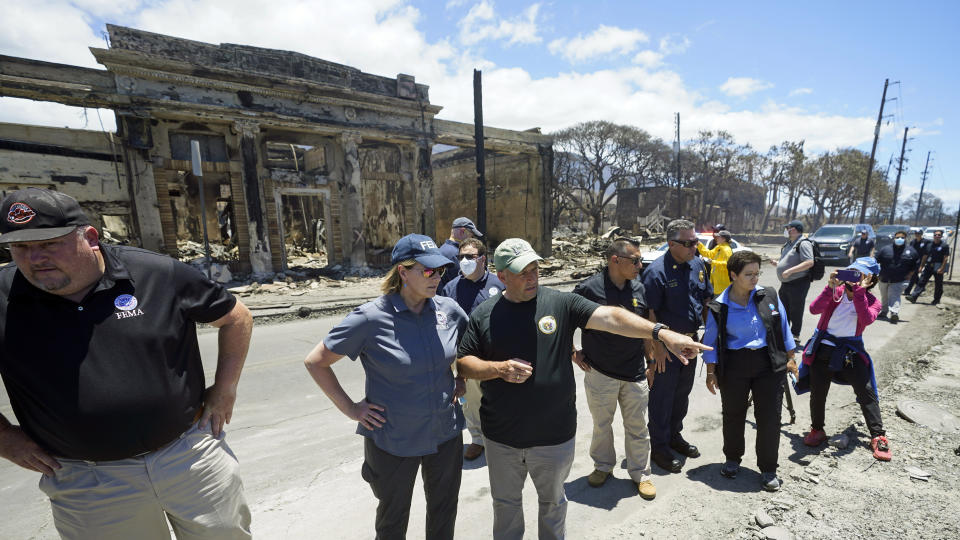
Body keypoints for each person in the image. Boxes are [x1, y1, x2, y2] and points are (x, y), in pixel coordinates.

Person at [0, 188, 254, 538]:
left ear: (89, 237)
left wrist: (225, 388)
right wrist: (3, 436)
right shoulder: (4, 297)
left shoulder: (156, 274)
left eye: (48, 244)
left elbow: (236, 317)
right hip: (89, 482)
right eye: (21, 247)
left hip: (189, 458)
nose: (35, 258)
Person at [456, 238, 709, 540]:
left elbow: (612, 317)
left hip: (553, 438)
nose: (532, 277)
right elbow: (465, 364)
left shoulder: (560, 303)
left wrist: (661, 333)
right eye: (523, 272)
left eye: (535, 269)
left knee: (553, 506)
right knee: (506, 507)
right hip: (501, 438)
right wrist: (499, 369)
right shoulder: (485, 313)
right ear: (502, 276)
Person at [303, 234, 467, 540]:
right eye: (428, 271)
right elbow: (316, 361)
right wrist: (352, 408)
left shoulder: (448, 311)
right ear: (403, 272)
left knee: (444, 514)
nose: (436, 278)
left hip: (445, 433)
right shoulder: (370, 318)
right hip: (394, 440)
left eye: (440, 271)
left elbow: (471, 348)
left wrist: (463, 377)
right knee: (392, 523)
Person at [703, 251, 798, 492]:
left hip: (768, 364)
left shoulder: (769, 295)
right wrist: (711, 372)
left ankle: (768, 468)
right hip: (734, 365)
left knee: (769, 417)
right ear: (733, 275)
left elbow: (784, 327)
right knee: (733, 414)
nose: (755, 278)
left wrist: (791, 358)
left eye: (757, 273)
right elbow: (711, 341)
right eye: (749, 274)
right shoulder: (718, 306)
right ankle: (732, 459)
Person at [571, 237, 656, 500]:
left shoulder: (639, 289)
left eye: (641, 260)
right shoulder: (588, 289)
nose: (640, 265)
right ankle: (603, 466)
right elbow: (565, 321)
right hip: (600, 372)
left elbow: (646, 331)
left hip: (634, 373)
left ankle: (641, 473)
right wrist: (572, 353)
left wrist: (651, 361)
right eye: (636, 260)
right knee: (601, 425)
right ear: (615, 260)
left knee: (638, 427)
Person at [795, 257, 891, 462]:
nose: (855, 277)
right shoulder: (836, 293)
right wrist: (829, 287)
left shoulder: (873, 301)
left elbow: (865, 319)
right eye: (853, 271)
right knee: (818, 392)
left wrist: (859, 292)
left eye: (861, 274)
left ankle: (878, 435)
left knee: (866, 392)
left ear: (871, 279)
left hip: (850, 351)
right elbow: (814, 309)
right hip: (823, 349)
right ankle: (817, 429)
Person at [642, 219, 714, 474]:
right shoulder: (656, 271)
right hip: (667, 346)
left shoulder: (697, 264)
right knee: (662, 398)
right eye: (689, 243)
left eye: (696, 241)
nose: (695, 246)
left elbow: (706, 301)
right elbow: (648, 313)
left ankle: (674, 436)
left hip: (690, 343)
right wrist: (655, 348)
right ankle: (659, 447)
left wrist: (707, 335)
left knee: (681, 395)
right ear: (671, 244)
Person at [440, 237, 505, 461]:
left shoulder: (497, 285)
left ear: (483, 259)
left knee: (497, 398)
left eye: (470, 256)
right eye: (461, 257)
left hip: (494, 352)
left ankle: (500, 438)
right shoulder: (450, 288)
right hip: (464, 355)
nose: (464, 261)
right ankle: (477, 439)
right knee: (470, 401)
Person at [768, 219, 814, 345]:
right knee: (783, 308)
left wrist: (790, 271)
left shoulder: (803, 243)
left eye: (788, 228)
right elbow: (789, 261)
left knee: (796, 309)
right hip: (786, 283)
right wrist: (777, 264)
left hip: (798, 282)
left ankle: (795, 334)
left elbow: (809, 262)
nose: (786, 230)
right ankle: (784, 333)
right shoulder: (789, 243)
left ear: (793, 229)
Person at [874, 230, 920, 323]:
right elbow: (876, 261)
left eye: (902, 238)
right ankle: (884, 311)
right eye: (897, 237)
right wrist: (876, 274)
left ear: (905, 239)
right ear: (894, 238)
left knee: (894, 295)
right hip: (884, 278)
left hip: (899, 279)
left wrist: (910, 275)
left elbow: (915, 265)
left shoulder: (911, 251)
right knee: (884, 296)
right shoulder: (885, 249)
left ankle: (894, 313)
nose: (900, 239)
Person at [908, 229, 950, 305]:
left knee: (938, 284)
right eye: (935, 235)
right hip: (929, 266)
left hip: (938, 267)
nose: (937, 236)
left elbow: (945, 258)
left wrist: (942, 268)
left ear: (941, 236)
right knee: (921, 281)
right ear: (933, 236)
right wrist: (921, 266)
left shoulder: (944, 246)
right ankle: (913, 297)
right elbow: (925, 256)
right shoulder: (929, 245)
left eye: (939, 235)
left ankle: (936, 300)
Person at [698, 229, 734, 295]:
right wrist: (699, 244)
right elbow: (709, 254)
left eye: (718, 237)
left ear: (723, 239)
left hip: (722, 284)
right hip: (717, 281)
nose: (716, 238)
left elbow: (728, 264)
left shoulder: (726, 250)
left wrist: (713, 262)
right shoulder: (719, 247)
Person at [904, 228, 929, 296]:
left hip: (921, 261)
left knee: (913, 276)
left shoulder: (925, 242)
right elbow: (910, 251)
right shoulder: (913, 242)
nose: (917, 235)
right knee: (915, 276)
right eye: (916, 234)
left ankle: (907, 290)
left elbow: (926, 254)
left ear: (921, 234)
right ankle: (922, 288)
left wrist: (921, 266)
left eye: (919, 234)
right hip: (913, 261)